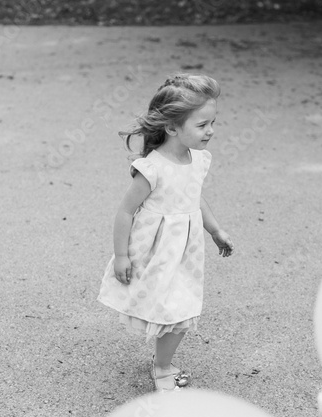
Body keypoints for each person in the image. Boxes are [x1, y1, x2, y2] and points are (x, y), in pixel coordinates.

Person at [98, 74, 234, 391]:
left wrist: (215, 230)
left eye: (213, 122)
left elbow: (194, 198)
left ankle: (162, 364)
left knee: (181, 310)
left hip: (186, 253)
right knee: (172, 312)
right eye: (202, 125)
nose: (211, 131)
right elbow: (125, 212)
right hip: (155, 253)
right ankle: (162, 369)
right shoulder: (153, 168)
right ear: (172, 127)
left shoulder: (198, 160)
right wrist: (121, 256)